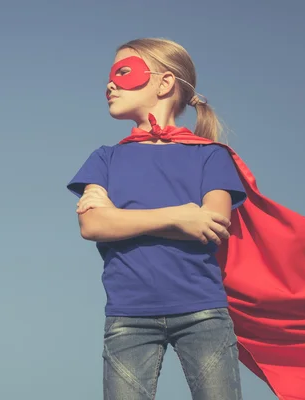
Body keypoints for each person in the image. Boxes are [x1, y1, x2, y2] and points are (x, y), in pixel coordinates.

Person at [66, 38, 249, 400]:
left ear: (165, 83)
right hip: (127, 318)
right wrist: (178, 216)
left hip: (204, 314)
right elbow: (93, 225)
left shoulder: (210, 156)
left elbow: (212, 224)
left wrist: (119, 216)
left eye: (123, 72)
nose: (109, 84)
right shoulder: (104, 159)